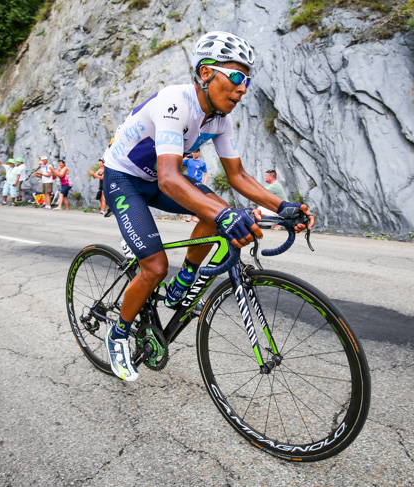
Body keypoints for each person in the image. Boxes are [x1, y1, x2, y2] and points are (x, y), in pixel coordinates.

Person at [101, 31, 312, 381]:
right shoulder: (175, 102)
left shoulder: (220, 120)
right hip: (124, 178)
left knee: (216, 209)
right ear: (205, 73)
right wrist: (225, 214)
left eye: (248, 80)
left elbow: (239, 175)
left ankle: (184, 281)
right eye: (236, 77)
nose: (243, 88)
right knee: (154, 268)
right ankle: (118, 333)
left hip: (155, 176)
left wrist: (285, 206)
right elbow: (170, 178)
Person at [182, 149, 208, 222]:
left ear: (199, 152)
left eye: (196, 152)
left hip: (198, 183)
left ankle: (197, 217)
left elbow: (205, 173)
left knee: (198, 200)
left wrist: (204, 183)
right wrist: (185, 157)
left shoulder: (202, 163)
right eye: (194, 152)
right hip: (189, 183)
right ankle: (190, 217)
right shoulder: (189, 161)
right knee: (189, 200)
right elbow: (179, 162)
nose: (195, 153)